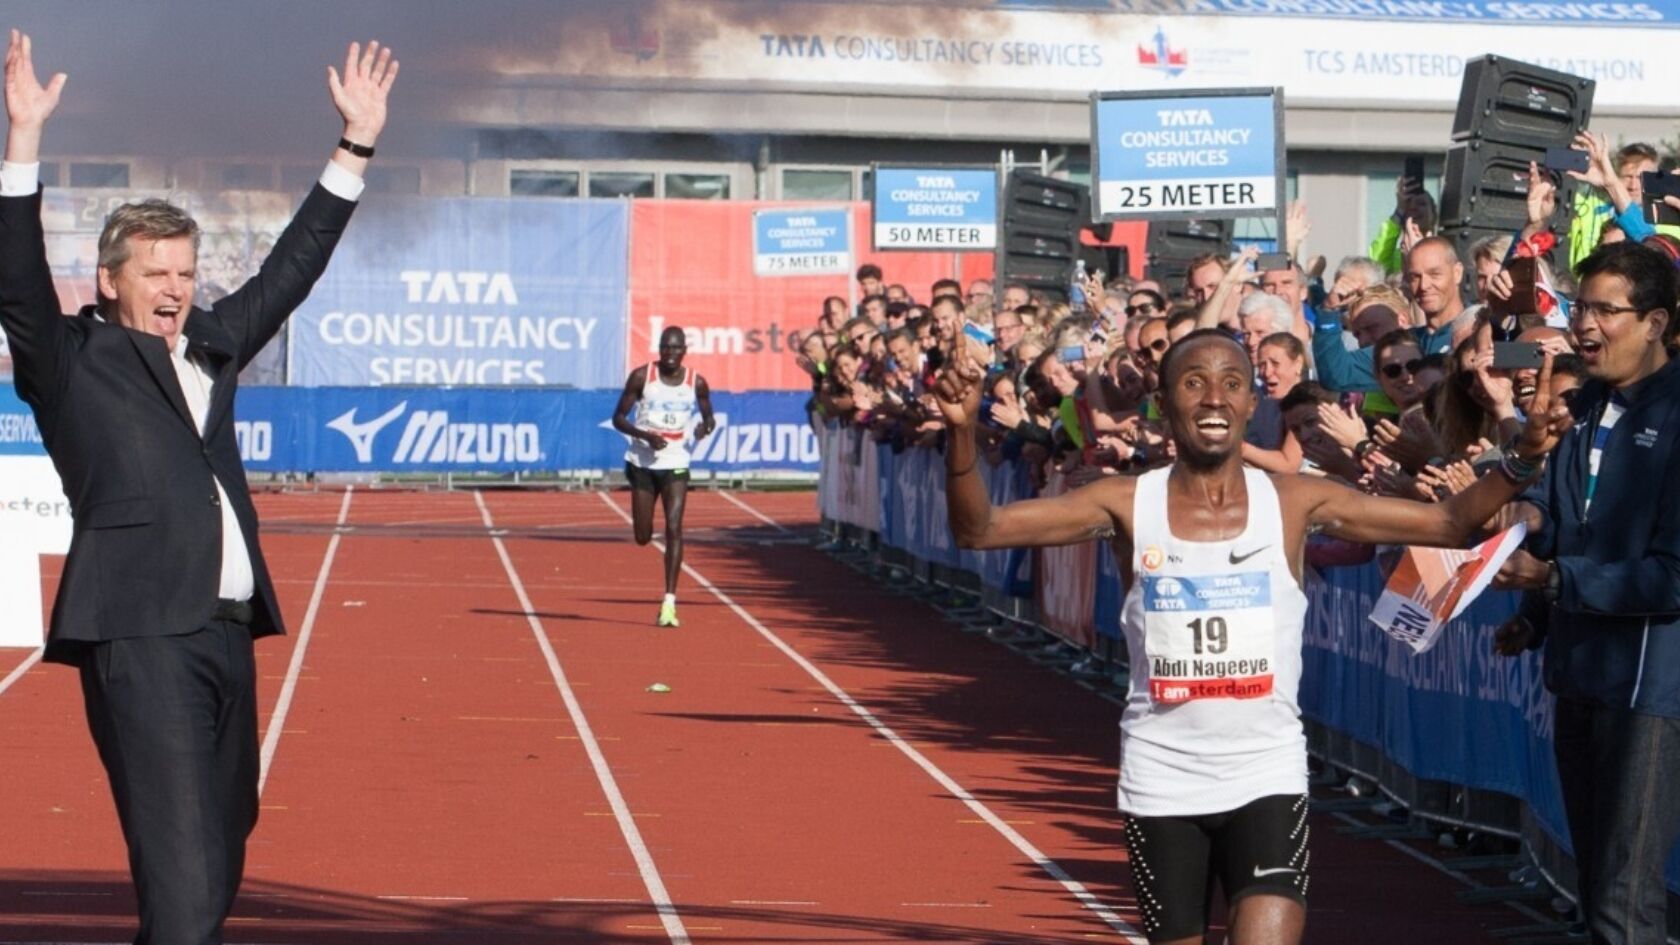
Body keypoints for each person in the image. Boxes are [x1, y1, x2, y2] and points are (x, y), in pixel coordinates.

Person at [934, 327, 1569, 945]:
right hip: (1162, 777)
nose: (1214, 397)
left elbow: (1452, 523)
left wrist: (1523, 457)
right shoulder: (1125, 504)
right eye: (1194, 382)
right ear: (1162, 399)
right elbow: (979, 530)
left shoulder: (1293, 502)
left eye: (1232, 383)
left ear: (1250, 403)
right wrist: (961, 430)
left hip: (1267, 773)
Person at [0, 31, 397, 944]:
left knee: (217, 863)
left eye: (186, 271)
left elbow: (291, 270)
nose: (177, 289)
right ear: (110, 281)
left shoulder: (213, 346)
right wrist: (23, 140)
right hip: (141, 635)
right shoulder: (71, 361)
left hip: (227, 635)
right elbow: (17, 279)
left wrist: (356, 147)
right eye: (157, 274)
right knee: (183, 892)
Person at [1494, 241, 1680, 945]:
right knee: (1598, 886)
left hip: (1652, 693)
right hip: (1579, 674)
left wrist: (1554, 579)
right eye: (1580, 307)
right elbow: (1559, 519)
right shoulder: (1578, 409)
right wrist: (1533, 606)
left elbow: (1672, 574)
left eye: (1607, 309)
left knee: (1624, 905)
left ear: (1656, 321)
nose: (1585, 326)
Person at [612, 326, 716, 627]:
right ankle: (649, 542)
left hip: (676, 460)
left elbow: (709, 416)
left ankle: (669, 601)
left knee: (674, 527)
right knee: (643, 536)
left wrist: (703, 428)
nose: (670, 354)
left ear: (684, 351)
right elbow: (618, 417)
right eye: (665, 348)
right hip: (643, 462)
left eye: (676, 348)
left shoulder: (697, 383)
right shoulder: (642, 377)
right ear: (659, 349)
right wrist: (643, 435)